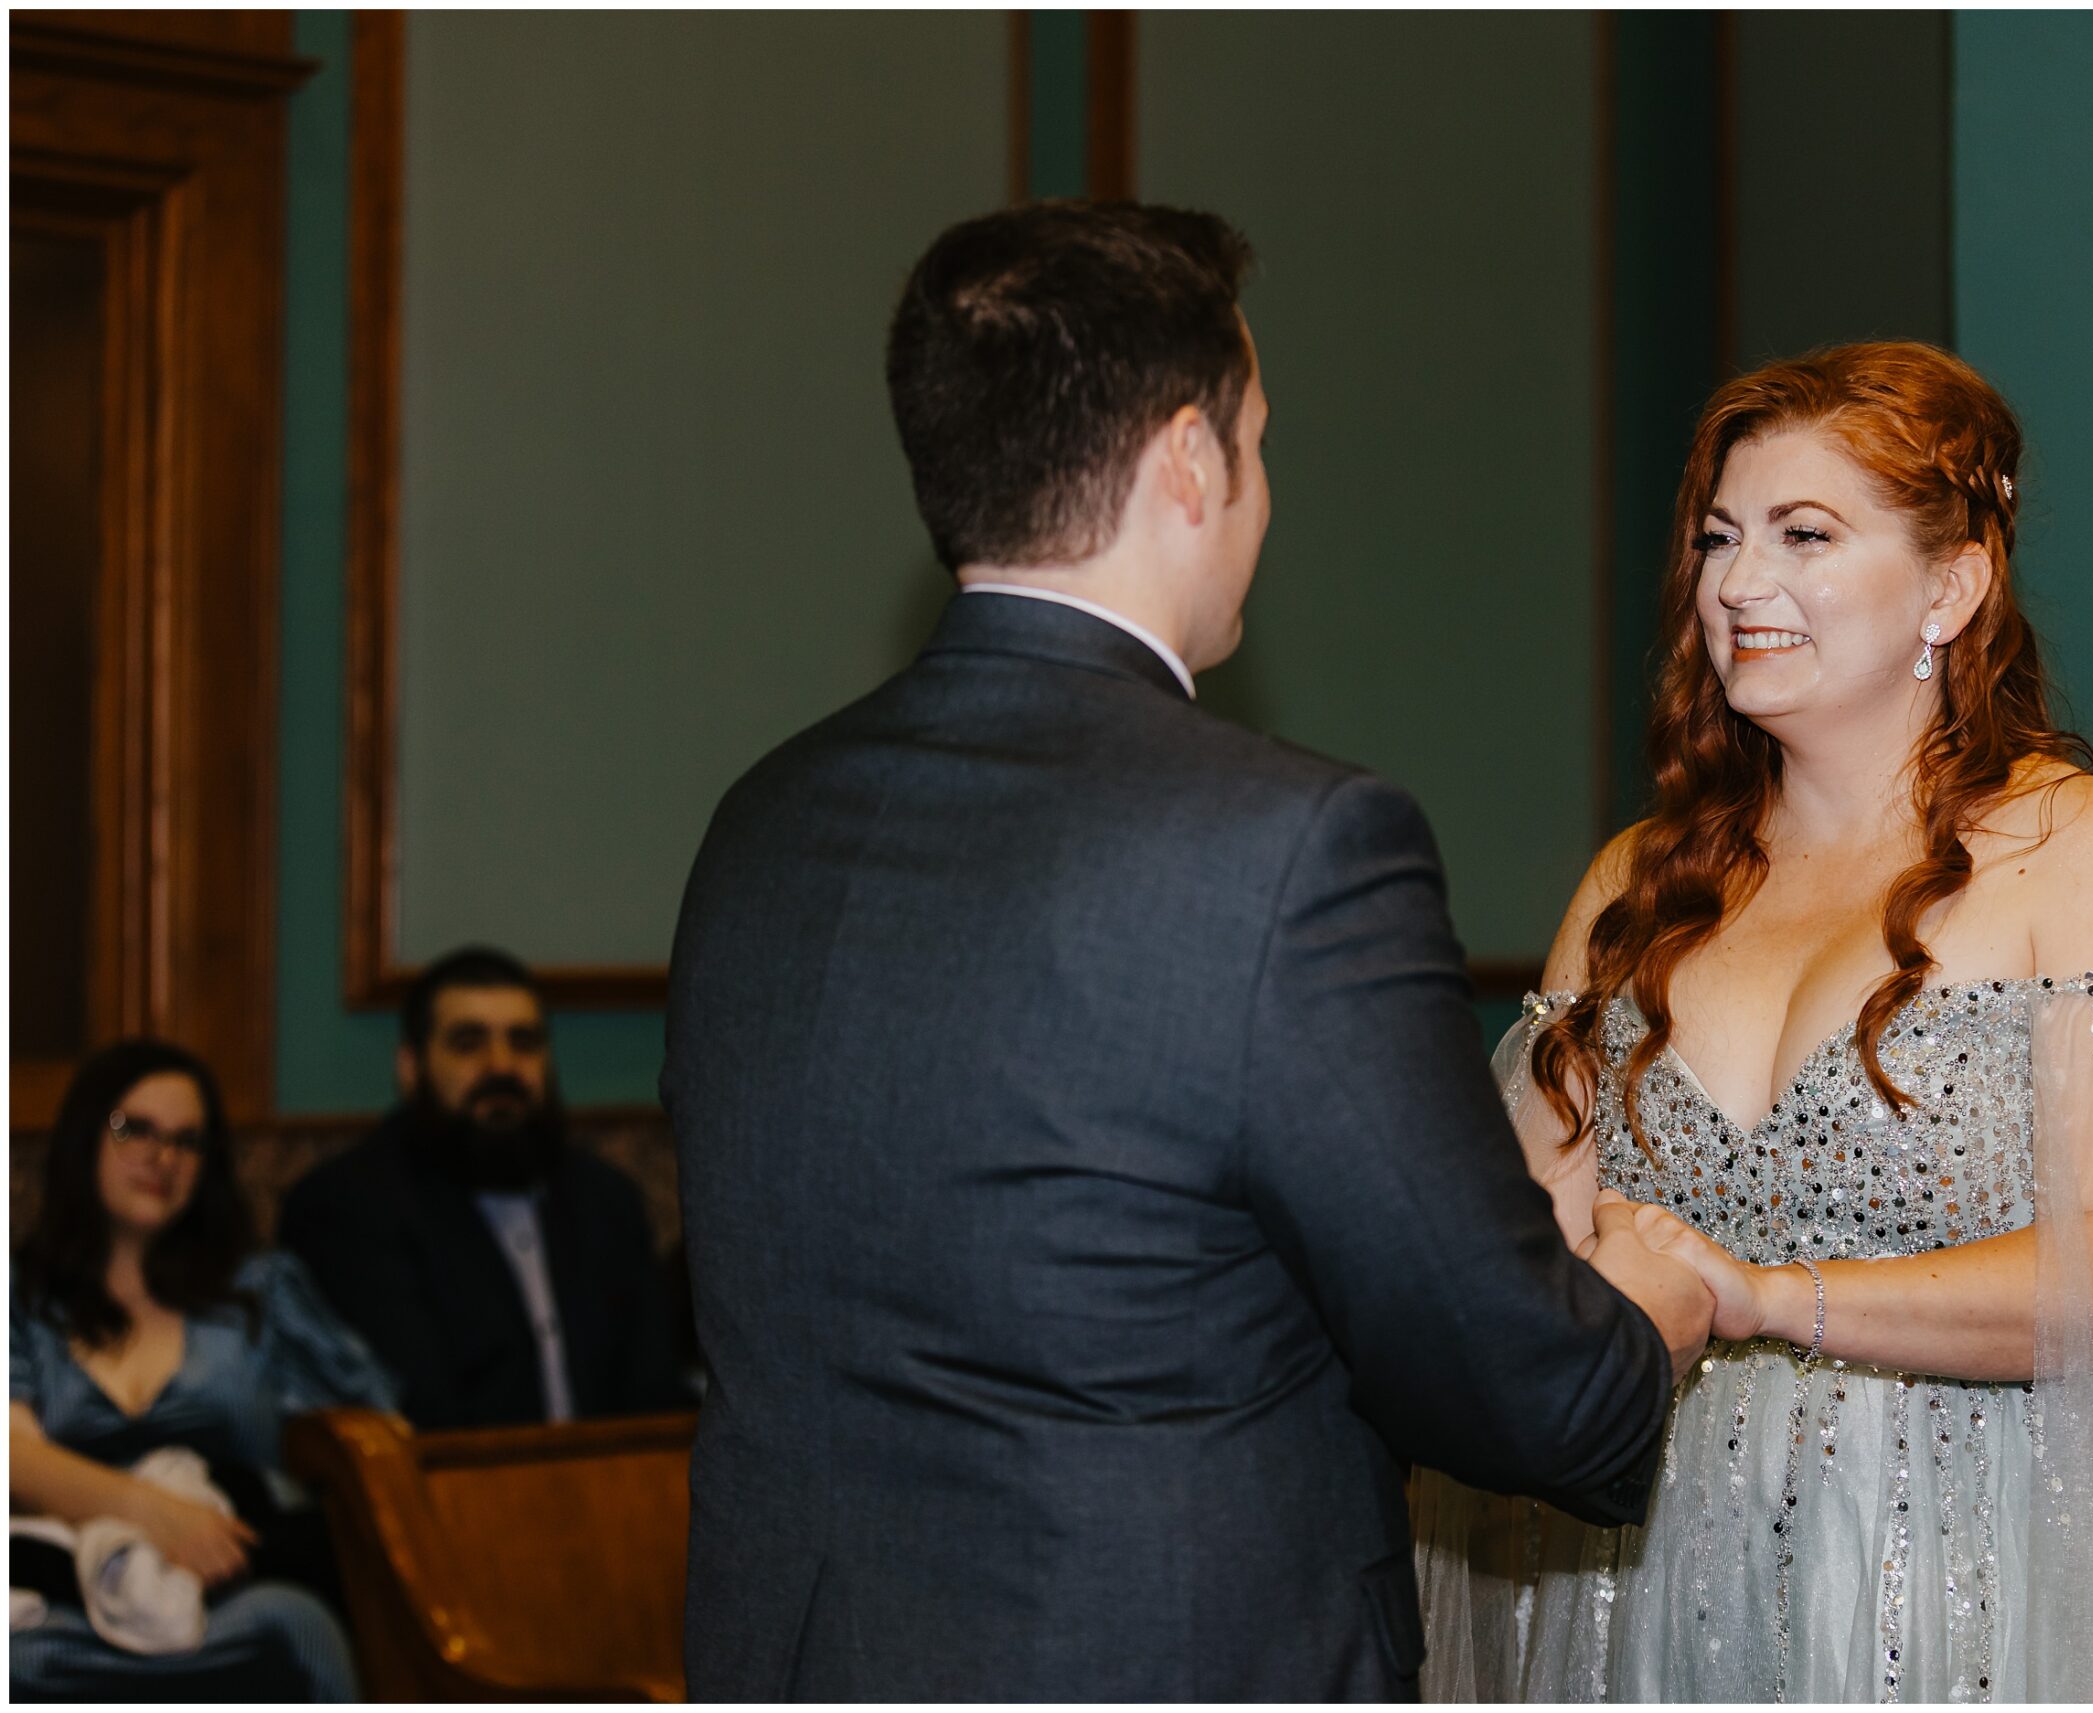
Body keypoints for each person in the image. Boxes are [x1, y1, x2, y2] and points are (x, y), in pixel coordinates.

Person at [664, 199, 1726, 1701]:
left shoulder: (763, 816)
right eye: (1260, 441)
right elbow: (1532, 1399)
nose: (1262, 493)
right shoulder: (1290, 848)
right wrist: (1642, 1298)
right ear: (1186, 462)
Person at [1412, 341, 2093, 1701]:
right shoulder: (1637, 882)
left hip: (2001, 1554)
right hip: (1657, 1569)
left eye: (1803, 535)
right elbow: (1513, 1246)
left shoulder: (2086, 854)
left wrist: (1760, 1297)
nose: (1738, 584)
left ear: (1953, 585)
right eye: (1718, 540)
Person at [11, 1039, 396, 1701]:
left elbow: (377, 1430)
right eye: (136, 1129)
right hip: (72, 1589)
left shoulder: (261, 1290)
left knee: (299, 1629)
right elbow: (12, 1458)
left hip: (240, 1585)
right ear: (85, 1136)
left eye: (188, 1141)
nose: (162, 1157)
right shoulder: (23, 1295)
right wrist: (154, 1514)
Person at [278, 946, 686, 1431]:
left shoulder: (606, 1198)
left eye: (524, 1041)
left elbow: (655, 1397)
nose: (502, 1066)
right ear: (411, 1068)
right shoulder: (349, 1208)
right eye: (468, 1042)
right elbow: (422, 1414)